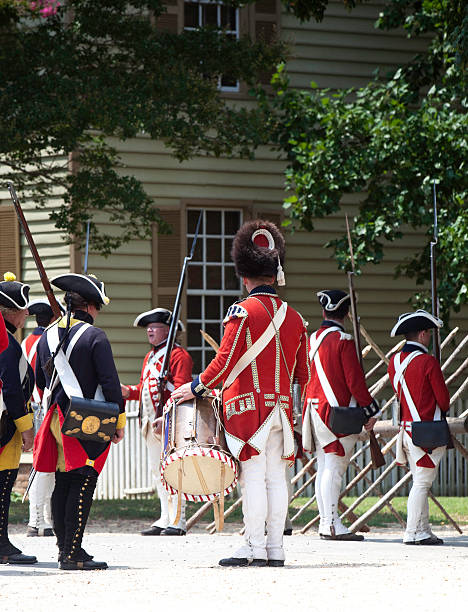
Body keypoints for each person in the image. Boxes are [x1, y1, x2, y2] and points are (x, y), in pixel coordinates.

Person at [173, 220, 310, 567]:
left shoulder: (241, 312)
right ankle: (275, 548)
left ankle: (252, 546)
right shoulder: (295, 318)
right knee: (276, 479)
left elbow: (223, 361)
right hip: (281, 409)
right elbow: (302, 374)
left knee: (253, 478)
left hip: (249, 410)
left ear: (245, 277)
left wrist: (193, 387)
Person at [33, 273, 125, 570]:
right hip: (86, 421)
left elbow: (39, 379)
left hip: (54, 419)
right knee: (82, 483)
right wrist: (118, 421)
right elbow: (110, 383)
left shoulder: (46, 335)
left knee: (63, 482)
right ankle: (71, 553)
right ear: (92, 306)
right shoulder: (95, 336)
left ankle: (67, 549)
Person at [302, 290, 379, 541]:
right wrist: (371, 409)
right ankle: (331, 525)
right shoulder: (344, 340)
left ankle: (327, 522)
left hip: (314, 410)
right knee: (333, 468)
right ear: (346, 313)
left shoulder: (312, 339)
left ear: (324, 312)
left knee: (324, 467)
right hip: (335, 412)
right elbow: (354, 383)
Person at [121, 308, 193, 536]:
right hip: (151, 422)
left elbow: (181, 390)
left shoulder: (179, 356)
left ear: (168, 331)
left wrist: (168, 415)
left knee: (173, 470)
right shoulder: (150, 357)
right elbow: (146, 389)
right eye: (148, 327)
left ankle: (178, 520)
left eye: (155, 327)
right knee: (157, 471)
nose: (150, 330)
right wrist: (128, 391)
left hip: (169, 422)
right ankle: (164, 517)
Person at [388, 309, 449, 545]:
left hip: (407, 430)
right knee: (422, 483)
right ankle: (413, 532)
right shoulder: (427, 361)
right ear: (423, 334)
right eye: (429, 333)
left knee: (420, 481)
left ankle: (424, 529)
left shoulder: (395, 361)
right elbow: (443, 401)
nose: (430, 337)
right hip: (426, 433)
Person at [0, 272, 37, 564]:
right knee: (2, 487)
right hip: (6, 426)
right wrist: (26, 428)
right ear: (11, 313)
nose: (27, 314)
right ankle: (2, 546)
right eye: (23, 309)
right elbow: (12, 389)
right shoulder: (8, 346)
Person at [22, 299, 63, 537]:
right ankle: (36, 519)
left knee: (46, 465)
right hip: (43, 406)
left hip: (35, 406)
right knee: (44, 466)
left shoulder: (28, 340)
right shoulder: (48, 340)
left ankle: (43, 518)